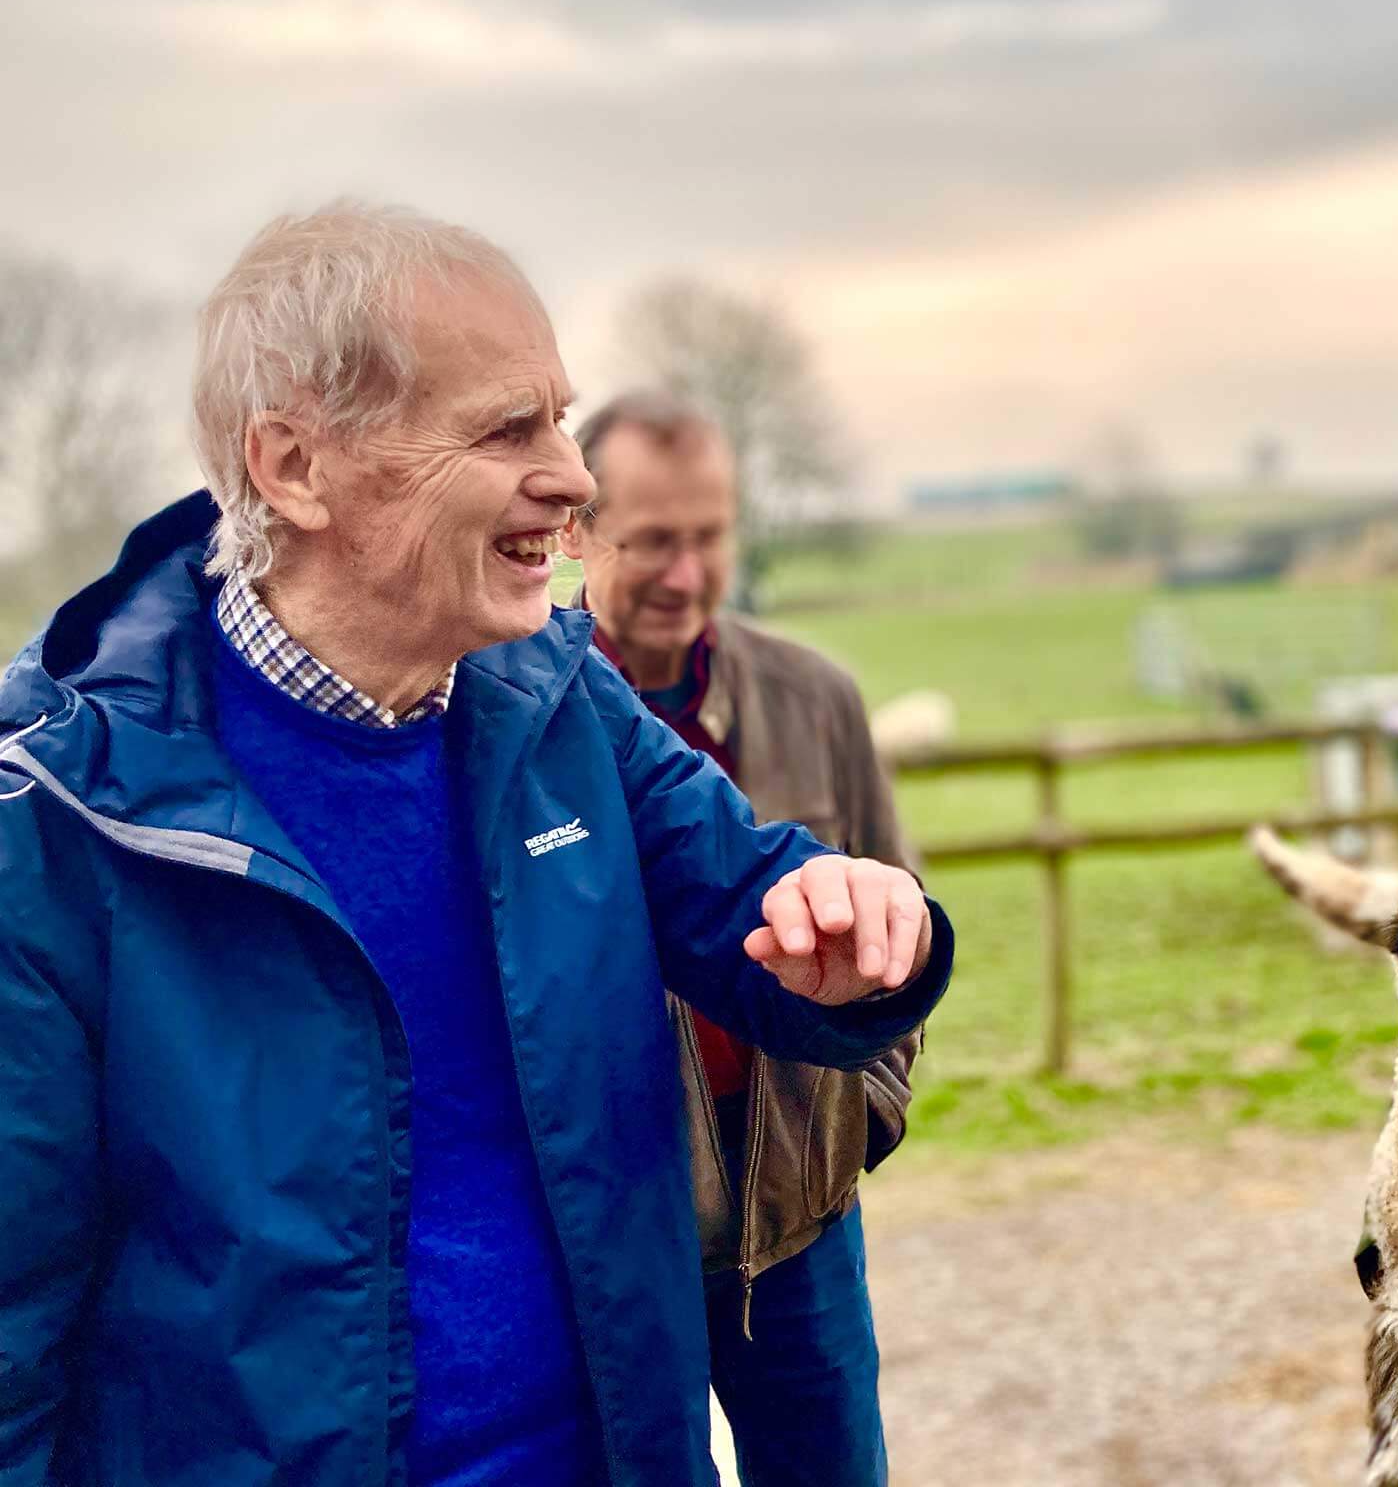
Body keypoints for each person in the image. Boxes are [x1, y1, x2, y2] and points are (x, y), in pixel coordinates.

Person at [0, 203, 954, 1486]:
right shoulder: (59, 818)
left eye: (561, 417)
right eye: (509, 428)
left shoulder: (565, 702)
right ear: (293, 466)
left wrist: (864, 924)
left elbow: (758, 905)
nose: (574, 479)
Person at [565, 391, 913, 1487]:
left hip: (799, 1217)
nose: (684, 572)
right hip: (617, 1230)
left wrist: (865, 1118)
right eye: (652, 539)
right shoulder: (519, 723)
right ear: (577, 531)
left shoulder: (818, 699)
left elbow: (901, 916)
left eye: (708, 536)